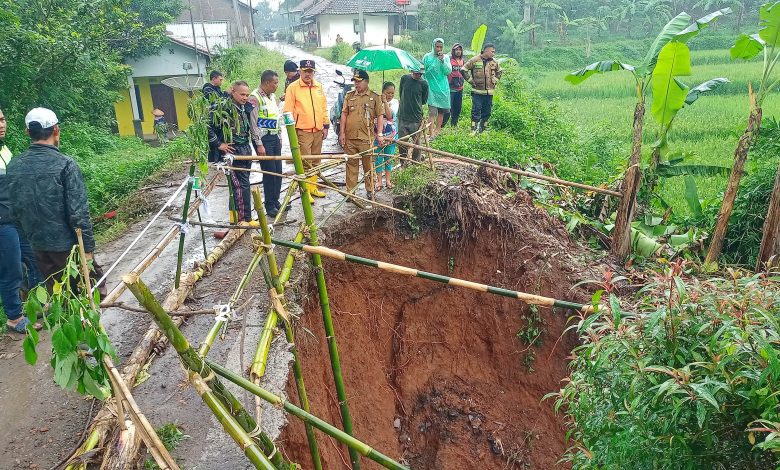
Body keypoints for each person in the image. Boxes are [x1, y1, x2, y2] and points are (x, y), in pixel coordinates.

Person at [7, 108, 104, 296]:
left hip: (37, 246)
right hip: (68, 247)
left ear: (28, 132)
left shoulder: (14, 166)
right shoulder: (65, 164)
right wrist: (87, 249)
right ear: (56, 130)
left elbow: (14, 210)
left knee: (58, 294)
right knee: (90, 292)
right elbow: (78, 212)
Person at [0, 108, 44, 333]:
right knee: (11, 270)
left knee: (34, 260)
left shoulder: (4, 149)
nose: (1, 124)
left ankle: (36, 306)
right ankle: (14, 317)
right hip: (2, 223)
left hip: (15, 218)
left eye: (2, 119)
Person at [208, 81, 263, 223]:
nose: (245, 97)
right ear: (233, 92)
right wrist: (219, 144)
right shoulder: (223, 107)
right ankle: (244, 219)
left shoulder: (244, 107)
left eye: (247, 95)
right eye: (242, 94)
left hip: (245, 148)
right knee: (241, 186)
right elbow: (207, 125)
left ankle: (236, 218)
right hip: (232, 151)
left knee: (240, 185)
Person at [283, 59, 330, 199]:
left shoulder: (318, 87)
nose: (308, 74)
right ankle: (305, 192)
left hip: (318, 130)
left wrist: (326, 126)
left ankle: (313, 187)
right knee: (305, 162)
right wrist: (292, 133)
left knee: (316, 161)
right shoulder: (293, 88)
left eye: (310, 71)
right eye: (305, 71)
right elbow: (287, 111)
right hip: (303, 131)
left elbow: (323, 107)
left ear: (313, 72)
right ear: (300, 71)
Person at [338, 69, 385, 201]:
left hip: (366, 138)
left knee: (368, 165)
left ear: (366, 82)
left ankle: (370, 189)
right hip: (350, 137)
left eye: (359, 81)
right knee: (351, 165)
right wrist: (342, 133)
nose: (356, 84)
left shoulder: (374, 97)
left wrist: (380, 133)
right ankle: (351, 192)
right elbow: (344, 114)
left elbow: (380, 115)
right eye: (355, 81)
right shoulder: (349, 96)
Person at [249, 70, 285, 217]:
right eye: (275, 83)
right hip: (263, 140)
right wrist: (259, 144)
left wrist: (279, 136)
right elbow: (253, 123)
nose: (277, 85)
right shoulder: (255, 97)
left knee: (278, 171)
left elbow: (275, 117)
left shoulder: (272, 96)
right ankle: (269, 205)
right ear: (267, 82)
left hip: (274, 137)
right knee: (269, 172)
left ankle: (276, 201)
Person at [463, 43, 503, 134]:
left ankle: (482, 130)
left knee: (487, 112)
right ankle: (473, 130)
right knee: (476, 110)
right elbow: (463, 70)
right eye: (492, 52)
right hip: (477, 92)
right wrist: (470, 81)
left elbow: (500, 71)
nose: (493, 54)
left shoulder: (494, 62)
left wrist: (495, 80)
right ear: (486, 51)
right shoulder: (474, 60)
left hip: (489, 93)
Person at [422, 38, 452, 138]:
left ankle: (437, 130)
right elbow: (422, 70)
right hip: (431, 87)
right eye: (437, 46)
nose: (439, 49)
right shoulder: (427, 57)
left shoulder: (446, 57)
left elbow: (448, 71)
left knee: (441, 111)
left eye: (440, 47)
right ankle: (430, 133)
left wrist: (442, 61)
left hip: (442, 87)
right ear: (433, 46)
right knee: (432, 112)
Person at [397, 65, 428, 161]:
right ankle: (403, 161)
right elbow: (401, 93)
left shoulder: (424, 84)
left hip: (416, 117)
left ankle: (416, 161)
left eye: (420, 74)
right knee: (402, 142)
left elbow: (424, 100)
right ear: (412, 71)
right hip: (403, 115)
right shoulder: (404, 79)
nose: (418, 75)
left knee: (416, 141)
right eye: (417, 73)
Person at [375, 82, 398, 191]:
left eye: (392, 93)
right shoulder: (376, 102)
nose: (390, 95)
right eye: (388, 93)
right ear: (383, 92)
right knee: (378, 158)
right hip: (378, 135)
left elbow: (389, 116)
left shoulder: (395, 103)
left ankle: (388, 180)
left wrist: (385, 102)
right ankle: (379, 181)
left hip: (390, 136)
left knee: (388, 158)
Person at [443, 43, 465, 128]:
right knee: (447, 108)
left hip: (460, 87)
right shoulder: (449, 60)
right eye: (456, 50)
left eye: (459, 50)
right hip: (450, 88)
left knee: (457, 107)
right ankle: (442, 125)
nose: (458, 51)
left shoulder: (462, 60)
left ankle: (454, 124)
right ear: (453, 51)